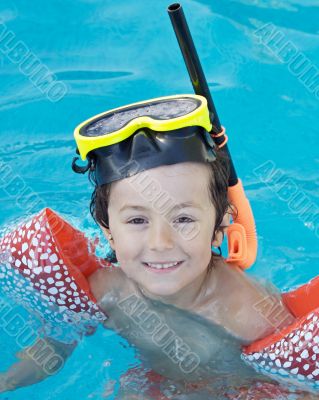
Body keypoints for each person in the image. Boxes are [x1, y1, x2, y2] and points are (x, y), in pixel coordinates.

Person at [0, 95, 313, 398]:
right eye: (137, 221)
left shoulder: (250, 314)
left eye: (184, 219)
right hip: (150, 384)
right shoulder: (106, 290)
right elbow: (55, 344)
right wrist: (9, 381)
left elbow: (299, 383)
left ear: (218, 229)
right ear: (108, 233)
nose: (160, 243)